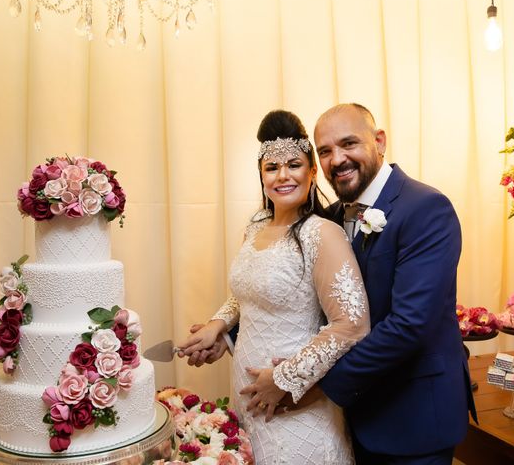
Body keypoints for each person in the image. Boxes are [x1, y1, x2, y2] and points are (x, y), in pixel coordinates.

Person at [178, 110, 371, 464]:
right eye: (271, 167)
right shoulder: (256, 226)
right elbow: (246, 294)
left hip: (295, 406)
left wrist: (283, 379)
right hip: (246, 396)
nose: (283, 176)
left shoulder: (322, 234)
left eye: (294, 164)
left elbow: (352, 325)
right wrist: (217, 327)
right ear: (262, 175)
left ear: (313, 171)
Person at [311, 103, 476, 464]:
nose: (337, 159)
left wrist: (319, 382)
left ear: (379, 141)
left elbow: (409, 325)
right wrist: (228, 329)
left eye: (348, 144)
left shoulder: (426, 208)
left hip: (414, 418)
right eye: (325, 151)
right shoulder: (331, 218)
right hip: (355, 420)